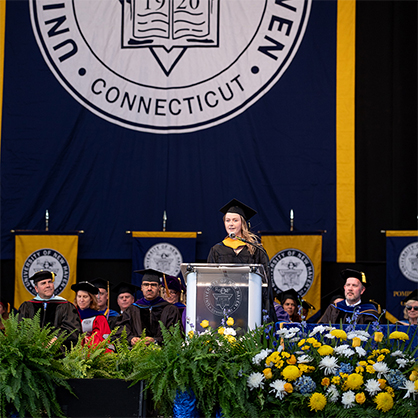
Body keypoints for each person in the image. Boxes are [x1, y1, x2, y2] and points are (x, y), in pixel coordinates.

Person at [207, 198, 276, 321]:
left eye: (235, 220)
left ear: (243, 223)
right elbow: (210, 280)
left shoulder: (255, 249)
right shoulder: (217, 250)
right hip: (225, 303)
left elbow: (266, 281)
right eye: (227, 220)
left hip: (251, 303)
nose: (231, 224)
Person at [113, 269, 182, 346]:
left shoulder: (170, 309)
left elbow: (176, 334)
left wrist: (156, 341)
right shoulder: (132, 309)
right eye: (146, 285)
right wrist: (131, 339)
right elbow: (120, 330)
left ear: (159, 288)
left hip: (162, 354)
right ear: (141, 288)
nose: (149, 288)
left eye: (153, 285)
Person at [18, 270, 81, 349]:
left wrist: (56, 339)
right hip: (32, 353)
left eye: (50, 282)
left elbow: (72, 330)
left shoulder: (66, 306)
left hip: (59, 354)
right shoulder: (27, 307)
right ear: (36, 289)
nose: (48, 285)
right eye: (43, 283)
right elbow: (20, 329)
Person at [71, 281, 113, 351]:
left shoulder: (99, 318)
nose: (81, 300)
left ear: (91, 299)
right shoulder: (71, 315)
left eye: (85, 297)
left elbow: (100, 339)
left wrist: (83, 341)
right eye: (79, 296)